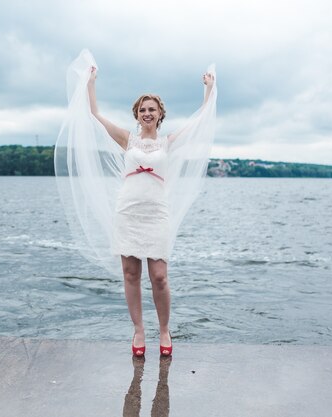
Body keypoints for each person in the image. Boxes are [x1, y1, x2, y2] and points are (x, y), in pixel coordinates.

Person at [54, 49, 217, 357]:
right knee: (130, 273)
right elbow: (94, 116)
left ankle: (165, 330)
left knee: (159, 276)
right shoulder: (127, 140)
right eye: (143, 109)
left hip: (156, 213)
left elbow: (199, 122)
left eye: (152, 109)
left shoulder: (167, 143)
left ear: (160, 114)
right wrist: (91, 82)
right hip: (127, 211)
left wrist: (208, 90)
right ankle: (139, 330)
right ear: (136, 113)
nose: (147, 113)